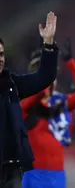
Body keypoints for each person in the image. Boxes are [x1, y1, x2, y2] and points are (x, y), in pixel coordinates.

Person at [20, 39, 75, 188]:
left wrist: (70, 62)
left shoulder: (60, 104)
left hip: (57, 174)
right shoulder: (26, 103)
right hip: (33, 174)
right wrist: (45, 69)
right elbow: (39, 92)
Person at [0, 11, 58, 188]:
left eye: (1, 54)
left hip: (12, 168)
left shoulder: (11, 84)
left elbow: (44, 77)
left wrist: (48, 44)